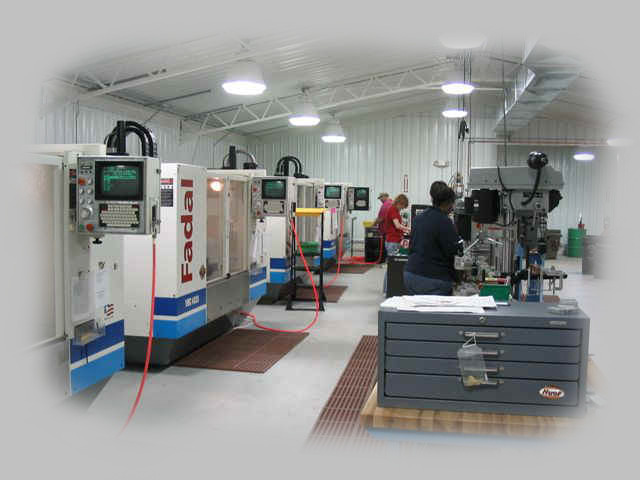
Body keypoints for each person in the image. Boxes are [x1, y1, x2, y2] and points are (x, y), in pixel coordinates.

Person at [404, 181, 462, 296]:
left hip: (410, 275)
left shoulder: (418, 218)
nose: (452, 208)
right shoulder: (445, 222)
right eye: (452, 204)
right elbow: (453, 250)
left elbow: (412, 246)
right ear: (447, 203)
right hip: (433, 279)